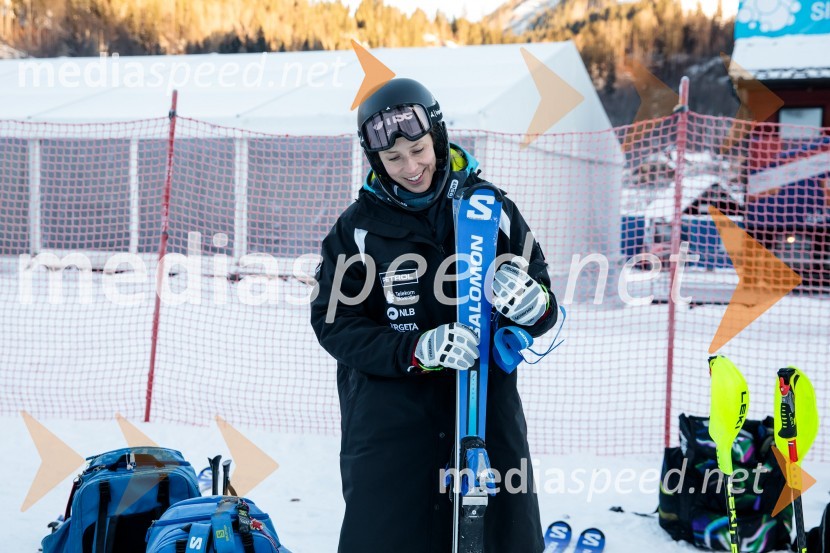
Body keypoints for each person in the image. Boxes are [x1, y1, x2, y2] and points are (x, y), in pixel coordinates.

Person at [310, 78, 559, 553]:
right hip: (391, 427)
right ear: (375, 160)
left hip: (486, 417)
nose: (411, 168)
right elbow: (334, 323)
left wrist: (536, 306)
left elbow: (542, 300)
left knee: (503, 539)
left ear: (438, 137)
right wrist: (414, 349)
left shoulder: (492, 208)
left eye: (418, 150)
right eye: (393, 158)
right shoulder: (357, 230)